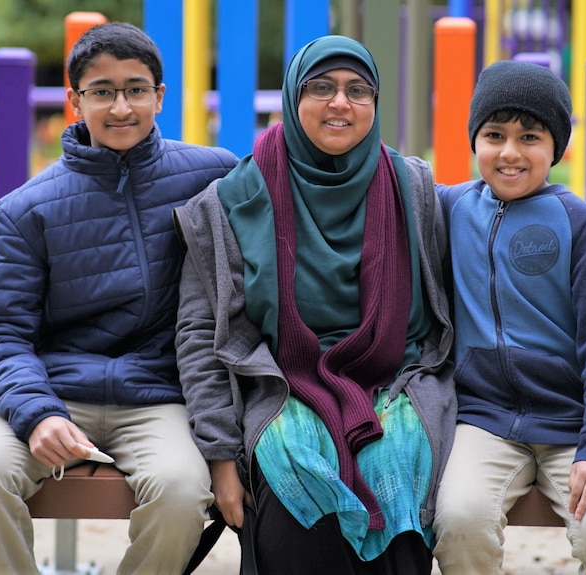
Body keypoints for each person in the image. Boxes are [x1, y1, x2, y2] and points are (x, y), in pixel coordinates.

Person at [0, 22, 238, 575]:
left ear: (160, 96)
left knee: (180, 493)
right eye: (101, 91)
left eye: (135, 89)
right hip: (57, 391)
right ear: (75, 100)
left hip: (160, 394)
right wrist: (35, 414)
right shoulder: (26, 209)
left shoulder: (213, 176)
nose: (120, 106)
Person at [173, 35, 456, 574]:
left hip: (397, 381)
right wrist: (220, 459)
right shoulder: (234, 200)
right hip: (280, 382)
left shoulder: (412, 189)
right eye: (320, 87)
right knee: (292, 472)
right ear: (290, 96)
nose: (340, 102)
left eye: (358, 90)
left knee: (395, 466)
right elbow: (201, 337)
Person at [432, 60, 586, 574]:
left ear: (557, 148)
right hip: (483, 420)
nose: (510, 152)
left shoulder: (580, 223)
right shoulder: (451, 208)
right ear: (474, 141)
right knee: (458, 520)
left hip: (576, 423)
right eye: (494, 135)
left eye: (530, 136)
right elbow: (381, 180)